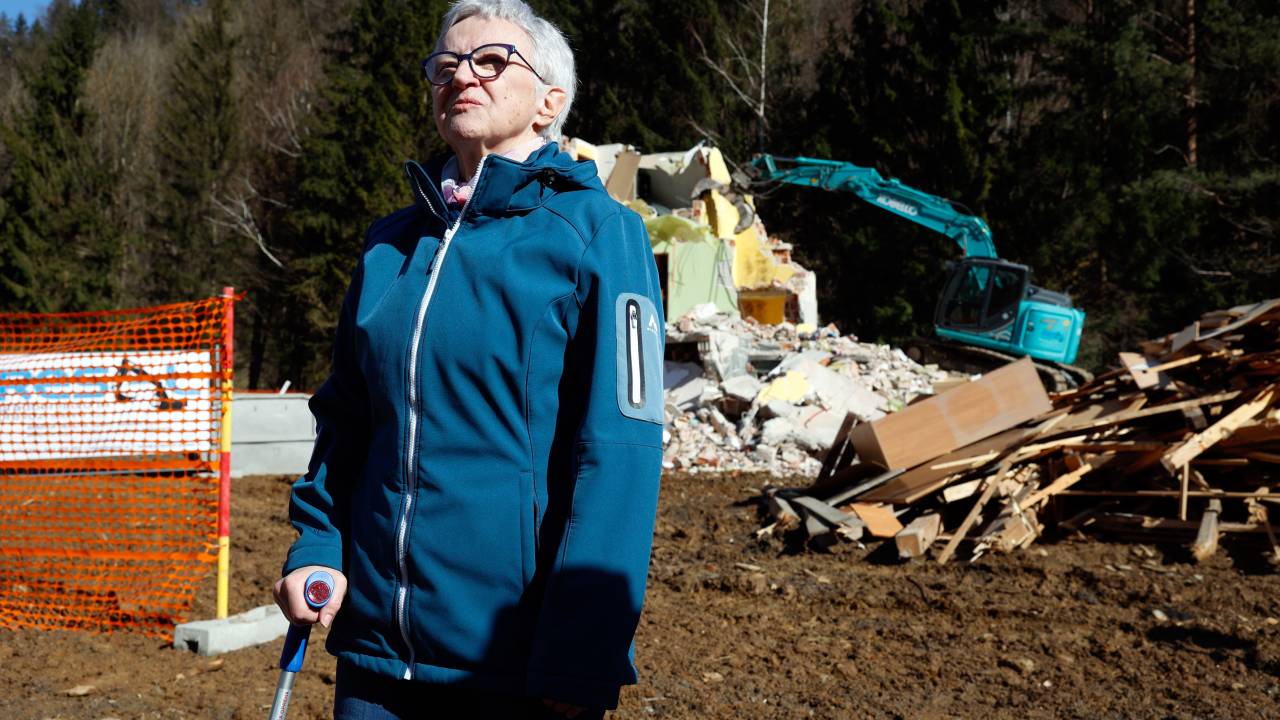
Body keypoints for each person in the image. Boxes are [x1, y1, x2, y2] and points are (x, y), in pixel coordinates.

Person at [272, 1, 665, 718]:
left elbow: (619, 452)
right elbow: (347, 419)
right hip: (373, 659)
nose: (461, 76)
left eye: (491, 61)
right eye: (446, 64)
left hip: (513, 665)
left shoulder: (600, 236)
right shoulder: (389, 245)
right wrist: (317, 544)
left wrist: (581, 652)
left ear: (550, 102)